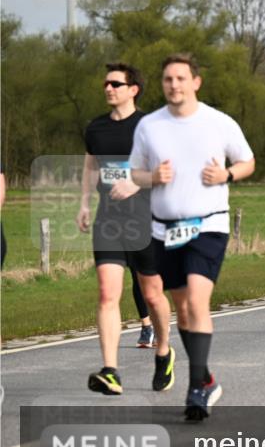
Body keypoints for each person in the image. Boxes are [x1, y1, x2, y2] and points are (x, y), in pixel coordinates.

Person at [129, 53, 255, 420]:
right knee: (182, 309)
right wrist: (153, 178)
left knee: (198, 302)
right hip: (164, 229)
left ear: (195, 82)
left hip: (209, 224)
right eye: (168, 79)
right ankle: (207, 377)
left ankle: (196, 388)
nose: (174, 85)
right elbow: (134, 173)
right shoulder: (149, 126)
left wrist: (228, 175)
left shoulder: (218, 122)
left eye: (181, 78)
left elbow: (247, 160)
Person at [76, 63, 173, 396]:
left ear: (133, 89)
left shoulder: (151, 127)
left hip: (146, 219)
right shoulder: (96, 128)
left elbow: (166, 171)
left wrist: (135, 183)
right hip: (108, 220)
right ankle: (111, 370)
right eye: (105, 83)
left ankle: (164, 350)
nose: (108, 88)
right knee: (107, 294)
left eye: (115, 83)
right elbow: (91, 165)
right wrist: (85, 203)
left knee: (152, 294)